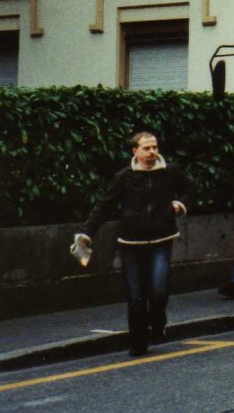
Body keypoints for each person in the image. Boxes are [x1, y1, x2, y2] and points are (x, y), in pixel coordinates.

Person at [78, 131, 194, 357]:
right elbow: (104, 205)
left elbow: (189, 187)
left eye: (155, 147)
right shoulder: (124, 177)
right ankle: (138, 343)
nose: (152, 152)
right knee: (136, 295)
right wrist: (87, 233)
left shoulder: (170, 172)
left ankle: (158, 321)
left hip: (161, 240)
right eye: (146, 148)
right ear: (135, 151)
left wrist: (181, 203)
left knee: (158, 290)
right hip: (130, 243)